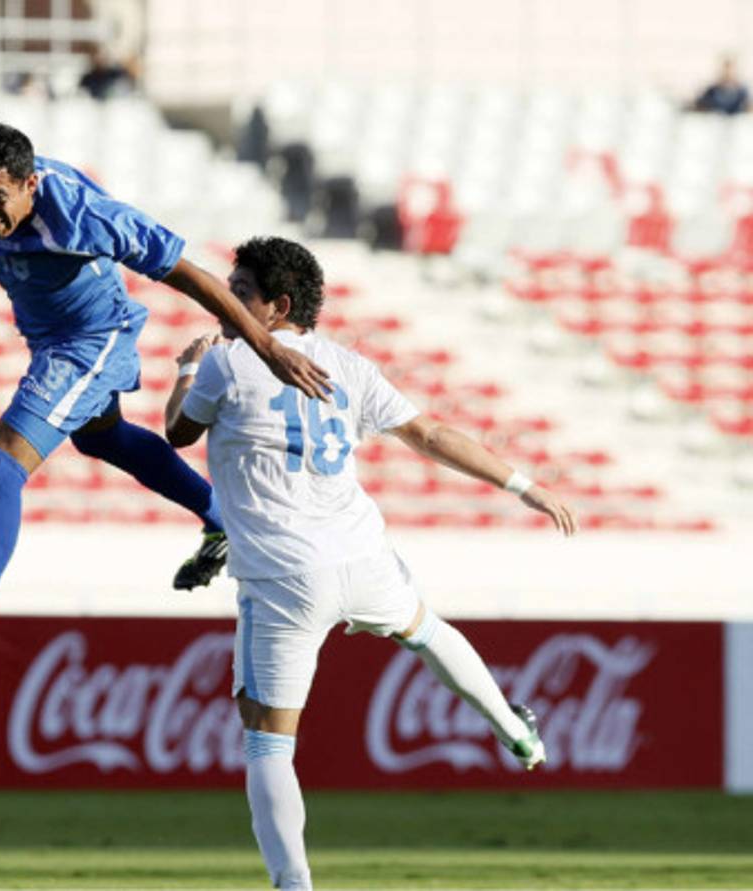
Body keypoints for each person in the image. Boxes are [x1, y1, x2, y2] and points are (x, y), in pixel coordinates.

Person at [0, 123, 330, 701]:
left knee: (0, 466)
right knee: (103, 438)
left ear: (30, 185)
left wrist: (267, 345)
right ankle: (219, 515)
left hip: (89, 340)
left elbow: (191, 274)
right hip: (48, 336)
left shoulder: (85, 216)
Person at [164, 237, 578, 891]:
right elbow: (432, 436)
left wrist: (189, 370)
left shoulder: (229, 361)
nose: (226, 303)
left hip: (282, 577)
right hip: (360, 553)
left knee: (268, 742)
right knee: (425, 629)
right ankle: (516, 731)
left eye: (239, 292)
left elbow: (177, 435)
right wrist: (525, 485)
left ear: (279, 306)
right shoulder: (351, 367)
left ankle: (293, 882)